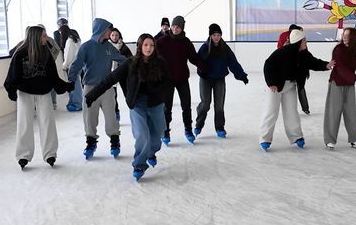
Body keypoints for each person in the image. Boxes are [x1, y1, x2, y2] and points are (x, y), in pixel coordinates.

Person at [85, 34, 173, 181]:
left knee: (157, 137)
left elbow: (169, 83)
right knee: (142, 136)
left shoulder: (161, 63)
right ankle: (139, 164)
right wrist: (92, 95)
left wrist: (163, 98)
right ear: (140, 46)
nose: (149, 48)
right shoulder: (131, 63)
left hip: (156, 104)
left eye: (151, 45)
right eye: (145, 45)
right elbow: (110, 79)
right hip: (137, 105)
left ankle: (151, 152)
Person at [4, 25, 75, 169]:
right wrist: (11, 91)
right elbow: (12, 75)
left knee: (47, 121)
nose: (46, 37)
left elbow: (52, 76)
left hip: (43, 92)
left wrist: (65, 86)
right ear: (36, 36)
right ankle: (23, 155)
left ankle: (50, 153)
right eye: (44, 35)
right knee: (24, 123)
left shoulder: (46, 53)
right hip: (25, 93)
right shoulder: (20, 53)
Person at [260, 27, 333, 151]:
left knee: (292, 111)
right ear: (298, 42)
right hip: (276, 86)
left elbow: (313, 62)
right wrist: (271, 83)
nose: (306, 43)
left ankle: (297, 136)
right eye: (304, 40)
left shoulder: (304, 54)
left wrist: (326, 65)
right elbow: (268, 65)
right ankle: (265, 138)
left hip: (290, 86)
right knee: (271, 112)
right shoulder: (282, 53)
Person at [68, 18, 127, 158]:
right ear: (101, 29)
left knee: (111, 116)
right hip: (90, 87)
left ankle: (115, 141)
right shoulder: (86, 46)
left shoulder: (108, 47)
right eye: (108, 29)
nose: (110, 32)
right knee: (89, 117)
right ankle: (91, 142)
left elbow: (122, 59)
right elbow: (76, 65)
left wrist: (135, 63)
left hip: (106, 87)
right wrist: (71, 80)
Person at [194, 23, 249, 138]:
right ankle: (199, 124)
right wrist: (202, 71)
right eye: (214, 35)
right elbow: (198, 62)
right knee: (205, 104)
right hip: (206, 79)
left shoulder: (224, 48)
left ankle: (220, 127)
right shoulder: (205, 47)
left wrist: (241, 75)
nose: (216, 37)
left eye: (218, 35)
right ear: (210, 36)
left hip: (219, 79)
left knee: (219, 105)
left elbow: (233, 62)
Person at [155, 15, 204, 144]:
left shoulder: (186, 42)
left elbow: (194, 58)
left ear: (182, 28)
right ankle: (165, 132)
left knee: (186, 106)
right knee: (167, 108)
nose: (175, 29)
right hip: (167, 81)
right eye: (173, 26)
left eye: (178, 27)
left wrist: (205, 66)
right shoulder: (161, 41)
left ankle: (188, 129)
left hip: (182, 79)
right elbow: (154, 58)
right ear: (171, 26)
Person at [324, 27, 356, 149]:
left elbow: (354, 62)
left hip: (349, 85)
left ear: (353, 37)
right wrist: (355, 78)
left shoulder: (355, 49)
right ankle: (330, 140)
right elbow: (341, 68)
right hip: (337, 83)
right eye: (344, 34)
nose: (344, 36)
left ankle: (354, 139)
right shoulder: (338, 50)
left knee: (351, 113)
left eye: (347, 35)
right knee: (334, 112)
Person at [277, 23, 310, 113]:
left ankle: (302, 109)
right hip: (292, 71)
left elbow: (306, 56)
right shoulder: (289, 39)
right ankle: (303, 109)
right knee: (297, 89)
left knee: (298, 88)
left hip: (297, 70)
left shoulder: (299, 40)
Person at [55, 18, 83, 111]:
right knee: (73, 84)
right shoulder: (75, 38)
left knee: (75, 85)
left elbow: (68, 56)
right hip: (78, 64)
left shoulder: (69, 41)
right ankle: (73, 102)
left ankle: (77, 103)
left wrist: (64, 65)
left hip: (72, 65)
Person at [108, 28, 132, 120]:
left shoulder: (123, 46)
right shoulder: (106, 46)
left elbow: (130, 59)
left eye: (116, 35)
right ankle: (116, 113)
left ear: (119, 36)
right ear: (110, 36)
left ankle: (133, 110)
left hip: (123, 74)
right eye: (112, 35)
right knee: (113, 96)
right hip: (111, 74)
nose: (114, 37)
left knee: (128, 92)